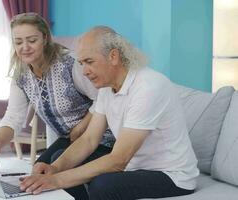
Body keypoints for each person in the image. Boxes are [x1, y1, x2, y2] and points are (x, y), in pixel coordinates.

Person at [19, 26, 200, 200]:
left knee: (102, 185)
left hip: (172, 176)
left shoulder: (148, 86)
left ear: (113, 56)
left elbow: (119, 159)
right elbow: (88, 140)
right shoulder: (107, 88)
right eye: (81, 63)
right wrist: (55, 168)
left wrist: (56, 180)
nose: (85, 72)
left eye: (89, 62)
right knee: (60, 158)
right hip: (134, 167)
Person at [0, 13, 116, 193]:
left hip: (103, 138)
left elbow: (103, 96)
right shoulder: (20, 75)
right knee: (38, 170)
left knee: (54, 167)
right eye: (18, 42)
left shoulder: (71, 63)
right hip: (69, 139)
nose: (25, 47)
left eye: (32, 40)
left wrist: (82, 126)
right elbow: (14, 116)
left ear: (45, 38)